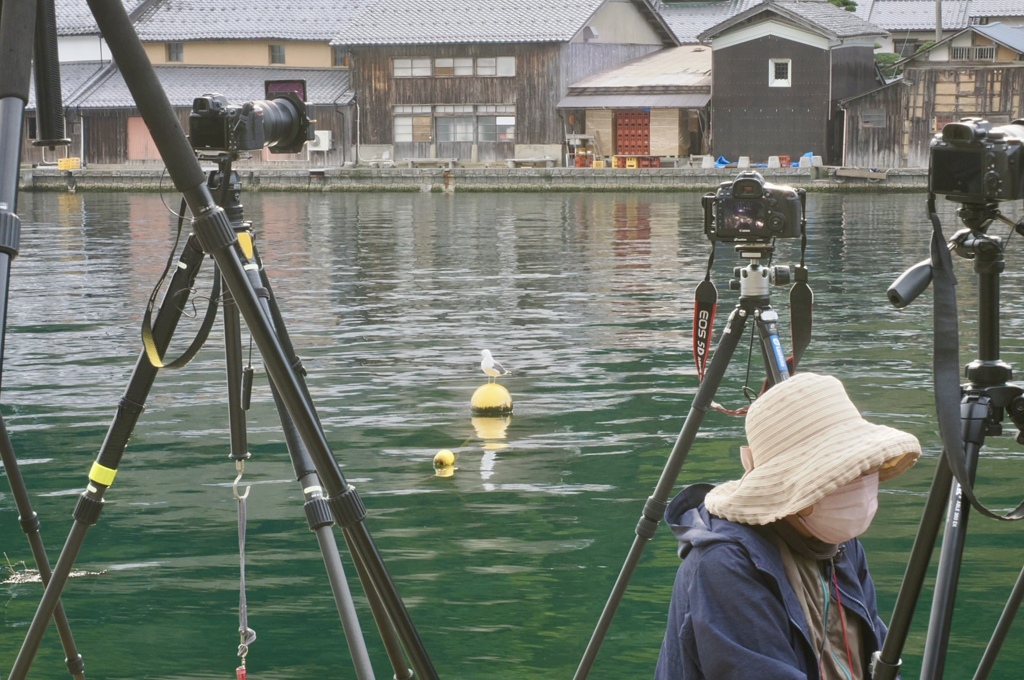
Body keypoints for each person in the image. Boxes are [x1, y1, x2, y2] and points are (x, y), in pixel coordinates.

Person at [655, 372, 921, 680]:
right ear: (797, 488)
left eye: (865, 467)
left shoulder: (840, 544)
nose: (862, 481)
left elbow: (876, 653)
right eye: (846, 472)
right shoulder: (724, 564)